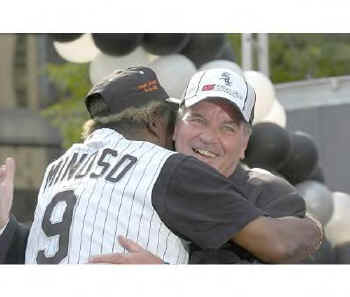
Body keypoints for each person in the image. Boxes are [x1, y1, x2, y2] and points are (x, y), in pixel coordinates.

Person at [0, 67, 322, 264]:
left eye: (227, 127)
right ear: (168, 125)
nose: (208, 137)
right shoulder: (158, 171)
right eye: (196, 119)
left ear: (244, 144)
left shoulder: (269, 195)